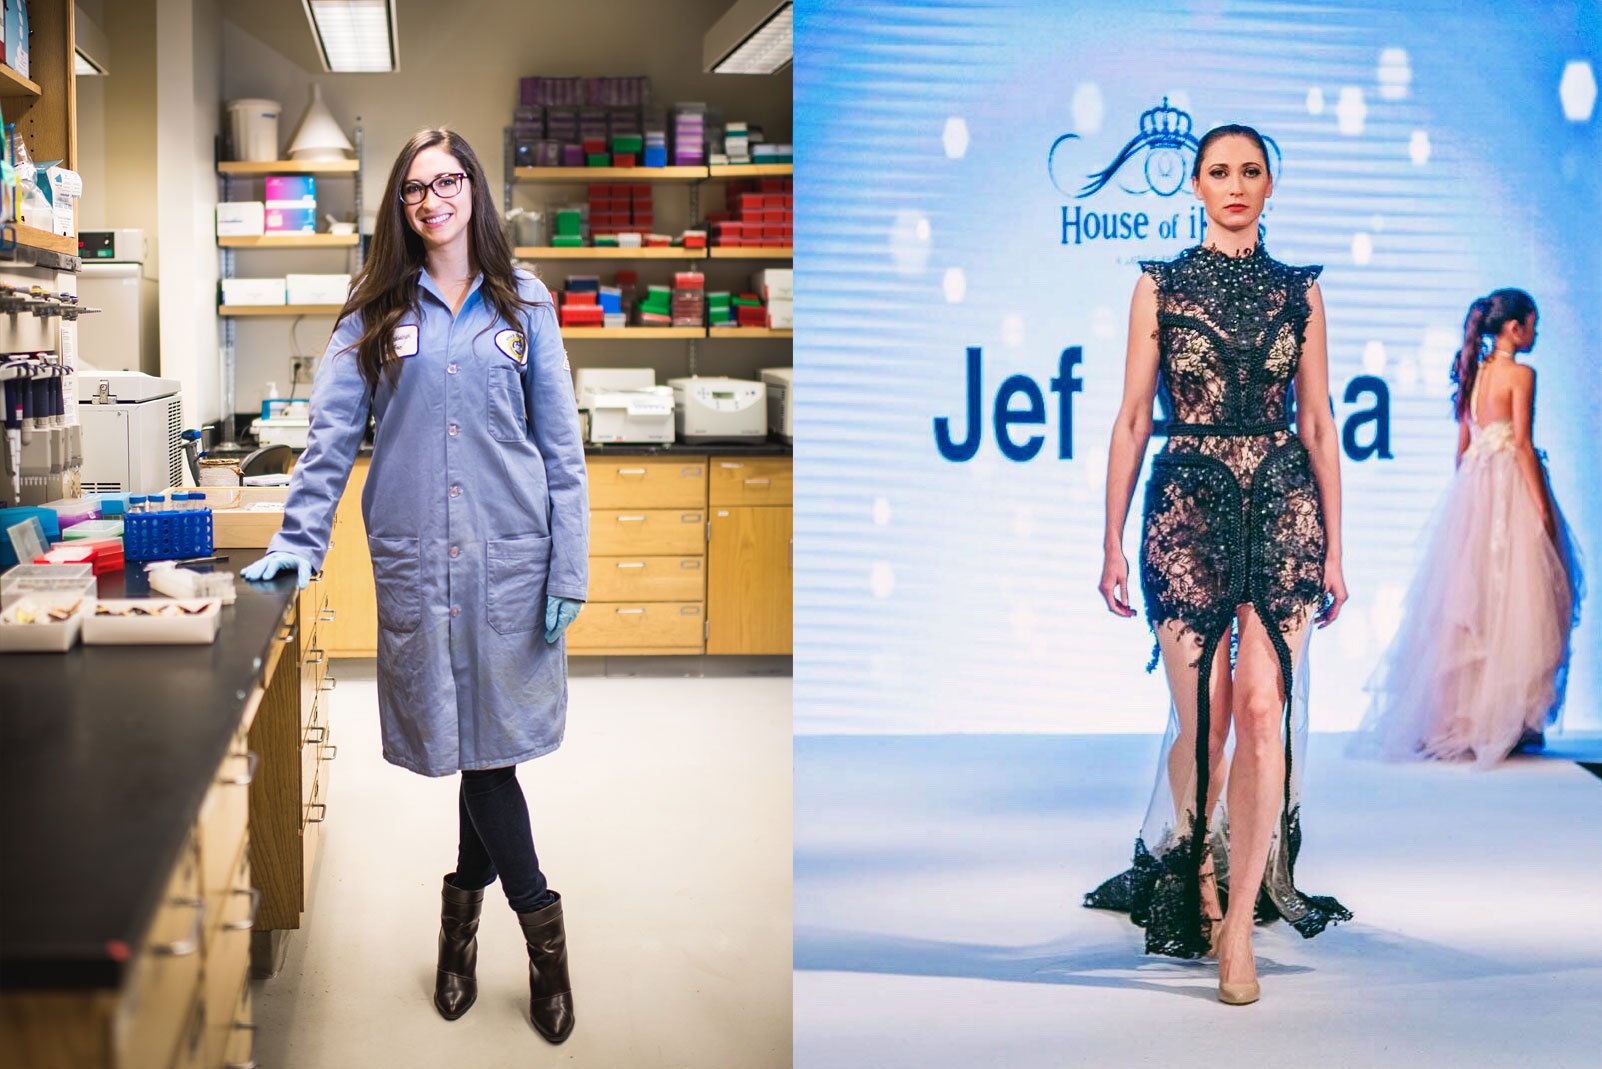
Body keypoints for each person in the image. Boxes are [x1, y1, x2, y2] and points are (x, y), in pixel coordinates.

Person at [241, 127, 589, 1043]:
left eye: (447, 180)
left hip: (513, 561)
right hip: (419, 563)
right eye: (413, 189)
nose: (431, 198)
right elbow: (329, 442)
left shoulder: (526, 305)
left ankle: (489, 934)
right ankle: (521, 932)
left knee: (488, 754)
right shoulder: (373, 311)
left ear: (473, 187)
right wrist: (296, 540)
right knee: (479, 752)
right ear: (400, 207)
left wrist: (571, 563)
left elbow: (562, 451)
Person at [1084, 125, 1351, 1006]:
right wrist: (1110, 538)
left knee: (1263, 707)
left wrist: (1337, 551)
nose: (1235, 185)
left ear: (1272, 185)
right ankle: (1196, 867)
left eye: (1251, 171)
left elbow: (1318, 425)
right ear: (1194, 185)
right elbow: (1130, 418)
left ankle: (1237, 927)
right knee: (1203, 723)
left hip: (1282, 503)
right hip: (1188, 504)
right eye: (1218, 172)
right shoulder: (1157, 285)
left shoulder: (1300, 292)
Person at [1353, 290, 1583, 767]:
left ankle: (1468, 718)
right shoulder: (1521, 374)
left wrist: (1467, 503)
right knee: (1514, 601)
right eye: (1533, 324)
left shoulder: (1473, 374)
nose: (1536, 334)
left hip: (1475, 489)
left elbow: (1462, 449)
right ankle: (1502, 721)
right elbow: (1521, 445)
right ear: (1514, 328)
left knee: (1470, 602)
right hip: (1508, 490)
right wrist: (1541, 510)